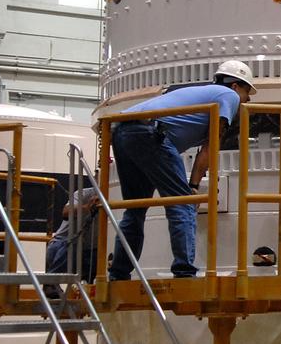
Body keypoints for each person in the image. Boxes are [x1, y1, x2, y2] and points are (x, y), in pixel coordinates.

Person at [108, 60, 256, 280]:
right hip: (151, 134)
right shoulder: (229, 96)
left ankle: (118, 274)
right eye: (247, 92)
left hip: (120, 128)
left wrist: (193, 185)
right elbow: (212, 144)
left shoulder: (202, 93)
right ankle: (184, 271)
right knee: (182, 203)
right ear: (235, 86)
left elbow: (204, 148)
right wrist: (192, 189)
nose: (248, 100)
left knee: (134, 208)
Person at [45, 186, 100, 288]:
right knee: (75, 242)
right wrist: (86, 207)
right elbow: (65, 212)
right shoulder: (84, 193)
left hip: (90, 251)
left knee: (103, 253)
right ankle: (50, 282)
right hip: (62, 246)